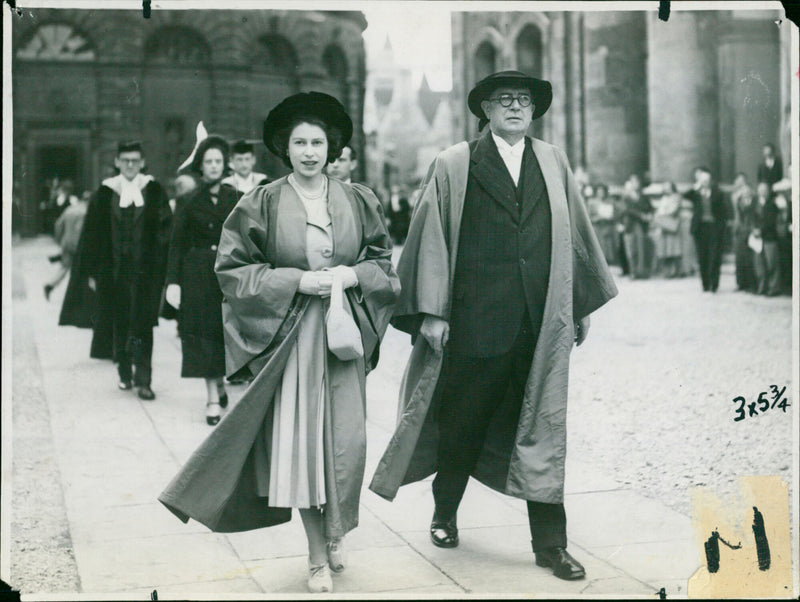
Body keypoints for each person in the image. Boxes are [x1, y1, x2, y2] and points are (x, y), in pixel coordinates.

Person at [369, 71, 617, 581]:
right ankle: (445, 510)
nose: (515, 107)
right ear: (484, 108)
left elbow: (574, 235)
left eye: (523, 100)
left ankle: (551, 545)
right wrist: (433, 312)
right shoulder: (456, 164)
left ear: (534, 110)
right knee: (463, 425)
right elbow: (431, 238)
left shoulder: (552, 161)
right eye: (503, 99)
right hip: (475, 323)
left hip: (538, 319)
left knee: (543, 429)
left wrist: (579, 305)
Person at [159, 92, 400, 593]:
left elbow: (383, 264)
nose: (309, 151)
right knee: (307, 446)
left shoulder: (359, 199)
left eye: (317, 142)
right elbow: (233, 269)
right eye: (299, 142)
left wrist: (352, 276)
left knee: (348, 442)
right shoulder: (261, 201)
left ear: (330, 147)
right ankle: (316, 553)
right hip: (291, 338)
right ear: (285, 149)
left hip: (342, 335)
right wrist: (295, 281)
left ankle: (339, 528)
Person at [59, 141, 172, 400]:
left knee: (143, 325)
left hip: (145, 275)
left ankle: (144, 380)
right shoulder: (105, 193)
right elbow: (92, 235)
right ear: (118, 163)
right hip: (114, 273)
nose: (130, 165)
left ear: (142, 162)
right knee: (120, 324)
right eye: (125, 160)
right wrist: (91, 272)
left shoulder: (154, 191)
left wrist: (162, 272)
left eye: (135, 160)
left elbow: (166, 232)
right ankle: (124, 372)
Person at [165, 135, 240, 425]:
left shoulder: (236, 197)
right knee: (202, 335)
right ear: (201, 166)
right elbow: (176, 244)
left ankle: (219, 384)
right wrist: (173, 282)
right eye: (208, 161)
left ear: (224, 165)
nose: (213, 166)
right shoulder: (188, 200)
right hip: (196, 274)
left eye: (218, 161)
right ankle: (211, 397)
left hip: (227, 272)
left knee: (223, 334)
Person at [686, 167, 727, 292]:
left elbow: (723, 212)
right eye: (702, 180)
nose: (705, 183)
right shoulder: (696, 194)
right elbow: (685, 195)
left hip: (714, 228)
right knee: (702, 257)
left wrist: (721, 227)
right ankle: (705, 284)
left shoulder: (718, 193)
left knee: (714, 257)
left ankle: (714, 284)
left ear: (710, 181)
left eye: (706, 180)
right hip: (700, 228)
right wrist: (696, 186)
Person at [44, 191, 89, 300]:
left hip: (66, 243)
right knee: (82, 269)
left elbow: (58, 225)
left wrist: (59, 240)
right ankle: (78, 294)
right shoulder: (86, 212)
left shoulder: (69, 210)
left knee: (65, 267)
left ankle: (50, 285)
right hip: (79, 245)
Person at [751, 182, 781, 296]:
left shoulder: (772, 205)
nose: (762, 192)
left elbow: (771, 222)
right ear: (758, 191)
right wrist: (754, 229)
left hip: (769, 237)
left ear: (768, 192)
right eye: (760, 190)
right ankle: (761, 287)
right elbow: (751, 218)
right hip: (757, 239)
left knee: (772, 263)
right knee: (759, 264)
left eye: (765, 190)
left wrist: (760, 231)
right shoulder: (755, 204)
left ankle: (773, 288)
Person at [620, 174, 653, 279]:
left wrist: (649, 214)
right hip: (630, 225)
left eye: (637, 182)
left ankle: (642, 272)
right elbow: (627, 210)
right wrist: (641, 215)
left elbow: (650, 207)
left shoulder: (643, 196)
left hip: (641, 226)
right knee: (632, 248)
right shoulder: (626, 197)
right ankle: (633, 271)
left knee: (642, 248)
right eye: (633, 182)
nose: (635, 184)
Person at [730, 173, 756, 292]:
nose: (738, 183)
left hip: (748, 227)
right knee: (739, 257)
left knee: (748, 257)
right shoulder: (735, 195)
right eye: (737, 181)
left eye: (741, 181)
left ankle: (750, 283)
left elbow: (747, 209)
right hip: (738, 228)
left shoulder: (749, 193)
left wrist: (743, 196)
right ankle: (740, 282)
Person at [652, 182, 683, 278]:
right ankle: (668, 271)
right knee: (665, 250)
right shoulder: (664, 198)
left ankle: (677, 271)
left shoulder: (676, 197)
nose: (667, 190)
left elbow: (673, 210)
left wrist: (662, 214)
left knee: (674, 249)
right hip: (663, 226)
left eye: (668, 188)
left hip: (672, 225)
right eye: (665, 188)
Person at [586, 183, 617, 266]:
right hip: (596, 227)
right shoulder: (591, 202)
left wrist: (609, 217)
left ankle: (606, 264)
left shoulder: (609, 202)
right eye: (599, 191)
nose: (601, 193)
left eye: (602, 191)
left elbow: (613, 214)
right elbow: (588, 216)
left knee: (606, 248)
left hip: (606, 226)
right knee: (597, 247)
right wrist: (596, 218)